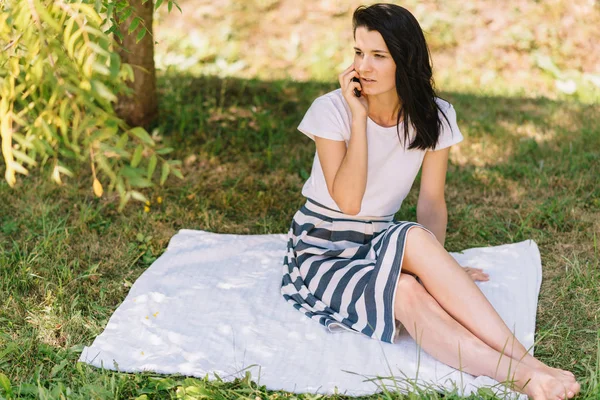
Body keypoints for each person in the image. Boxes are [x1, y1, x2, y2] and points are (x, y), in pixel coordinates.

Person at [280, 3, 580, 400]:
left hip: (378, 239)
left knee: (419, 239)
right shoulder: (332, 110)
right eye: (358, 52)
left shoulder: (435, 116)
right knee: (405, 293)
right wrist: (359, 117)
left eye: (378, 55)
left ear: (405, 60)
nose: (363, 66)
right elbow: (349, 202)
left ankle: (531, 363)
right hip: (324, 249)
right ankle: (520, 377)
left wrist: (437, 270)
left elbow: (432, 204)